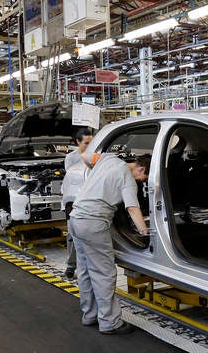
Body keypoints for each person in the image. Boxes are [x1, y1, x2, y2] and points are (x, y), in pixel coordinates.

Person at [69, 152, 151, 335]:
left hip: (75, 219)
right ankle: (109, 323)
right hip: (93, 224)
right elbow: (132, 207)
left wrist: (99, 177)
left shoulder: (108, 159)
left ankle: (89, 315)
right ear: (142, 168)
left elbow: (85, 157)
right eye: (145, 177)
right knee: (104, 273)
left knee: (85, 270)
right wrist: (144, 231)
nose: (143, 182)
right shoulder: (128, 179)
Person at [60, 127, 93, 279]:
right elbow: (73, 178)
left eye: (91, 142)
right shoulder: (71, 158)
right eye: (86, 143)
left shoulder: (94, 155)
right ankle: (71, 265)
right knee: (72, 234)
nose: (89, 145)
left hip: (88, 199)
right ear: (78, 142)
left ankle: (80, 265)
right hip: (72, 200)